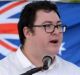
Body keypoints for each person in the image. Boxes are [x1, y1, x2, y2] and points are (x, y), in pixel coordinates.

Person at [0, 1, 80, 75]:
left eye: (58, 26)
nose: (56, 32)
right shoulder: (3, 70)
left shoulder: (74, 72)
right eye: (47, 26)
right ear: (27, 32)